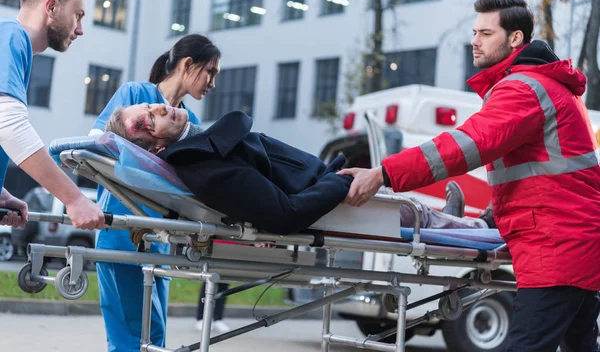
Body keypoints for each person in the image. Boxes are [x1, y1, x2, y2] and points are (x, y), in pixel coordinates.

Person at [338, 0, 600, 352]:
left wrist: (383, 173)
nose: (474, 41)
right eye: (474, 32)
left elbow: (463, 146)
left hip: (555, 248)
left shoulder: (524, 89)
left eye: (485, 33)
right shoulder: (547, 87)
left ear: (515, 38)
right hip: (571, 243)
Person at [105, 104, 496, 232]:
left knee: (402, 205)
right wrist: (341, 184)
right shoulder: (203, 164)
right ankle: (474, 228)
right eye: (147, 122)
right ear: (156, 145)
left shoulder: (204, 149)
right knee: (403, 210)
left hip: (321, 187)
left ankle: (461, 223)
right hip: (327, 204)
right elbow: (284, 214)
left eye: (150, 106)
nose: (158, 109)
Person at [89, 34, 221, 352]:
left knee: (155, 336)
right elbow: (97, 140)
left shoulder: (191, 123)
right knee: (131, 338)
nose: (213, 83)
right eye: (211, 72)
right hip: (121, 234)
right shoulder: (136, 93)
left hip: (161, 240)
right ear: (188, 65)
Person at [0, 0, 104, 230]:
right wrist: (74, 198)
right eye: (77, 15)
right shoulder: (10, 37)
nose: (80, 29)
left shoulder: (13, 46)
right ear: (52, 7)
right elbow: (9, 128)